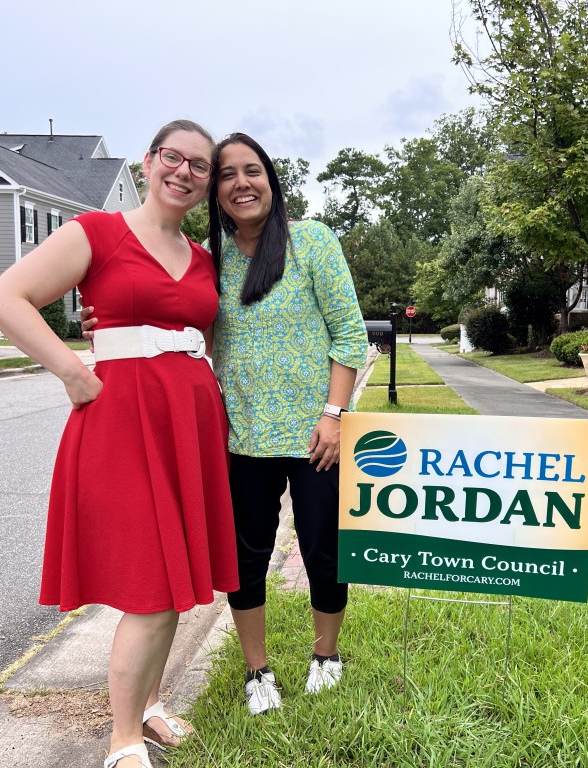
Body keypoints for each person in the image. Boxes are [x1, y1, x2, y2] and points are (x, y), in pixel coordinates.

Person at [0, 120, 238, 768]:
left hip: (189, 427)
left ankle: (149, 706)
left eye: (199, 166)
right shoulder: (96, 232)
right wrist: (72, 373)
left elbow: (209, 336)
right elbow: (5, 298)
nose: (184, 172)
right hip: (125, 424)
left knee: (176, 578)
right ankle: (122, 742)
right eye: (172, 158)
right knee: (151, 586)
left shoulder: (206, 260)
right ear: (148, 163)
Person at [207, 133, 368, 715]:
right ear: (215, 190)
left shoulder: (311, 242)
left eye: (253, 172)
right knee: (246, 556)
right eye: (228, 175)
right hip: (243, 437)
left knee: (325, 549)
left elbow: (350, 334)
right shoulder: (208, 259)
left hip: (316, 438)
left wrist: (334, 414)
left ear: (272, 182)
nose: (241, 183)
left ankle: (326, 657)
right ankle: (258, 671)